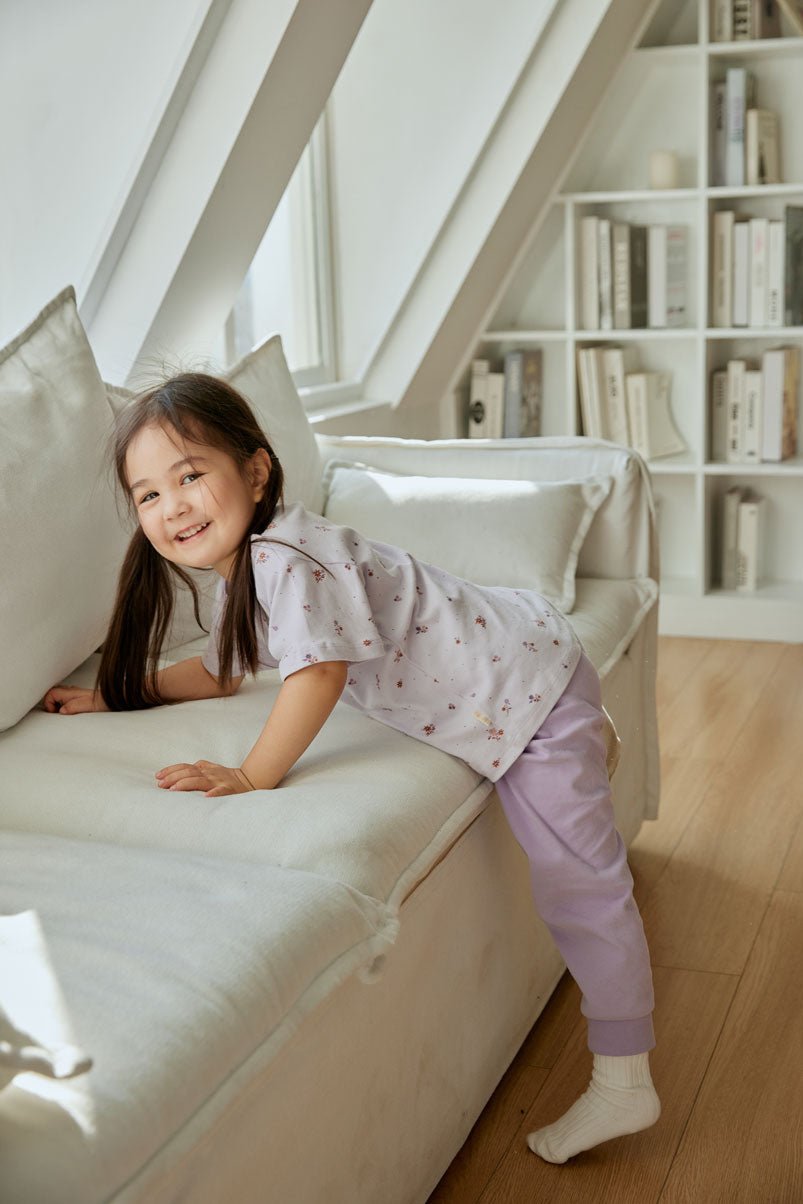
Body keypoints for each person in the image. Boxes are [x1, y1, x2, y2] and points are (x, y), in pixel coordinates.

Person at [43, 372, 660, 1163]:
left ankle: (623, 1080)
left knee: (579, 880)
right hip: (522, 647)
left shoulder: (288, 558)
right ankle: (585, 731)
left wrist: (253, 774)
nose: (173, 508)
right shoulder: (257, 566)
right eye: (149, 495)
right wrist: (119, 695)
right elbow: (227, 670)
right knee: (571, 854)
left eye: (191, 476)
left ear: (255, 471)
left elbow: (317, 676)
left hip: (524, 690)